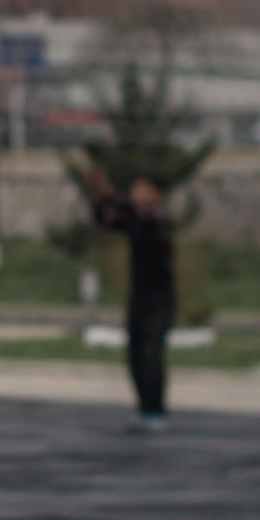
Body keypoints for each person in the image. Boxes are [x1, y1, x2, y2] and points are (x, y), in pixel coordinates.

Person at [82, 164, 177, 423]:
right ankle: (145, 409)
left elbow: (134, 216)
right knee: (135, 354)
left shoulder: (158, 220)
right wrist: (100, 198)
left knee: (151, 352)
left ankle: (156, 409)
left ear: (157, 194)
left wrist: (109, 192)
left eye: (143, 189)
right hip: (139, 298)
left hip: (161, 300)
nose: (137, 193)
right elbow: (108, 220)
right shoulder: (135, 219)